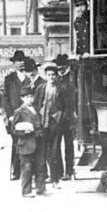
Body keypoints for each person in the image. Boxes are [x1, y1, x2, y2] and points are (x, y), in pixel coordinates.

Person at [35, 62, 71, 190]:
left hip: (55, 124)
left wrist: (61, 116)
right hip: (42, 123)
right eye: (49, 74)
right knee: (42, 152)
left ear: (56, 76)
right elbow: (36, 104)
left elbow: (68, 107)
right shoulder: (40, 88)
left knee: (54, 151)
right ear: (45, 76)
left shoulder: (62, 88)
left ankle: (55, 179)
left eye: (53, 75)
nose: (51, 77)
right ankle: (42, 180)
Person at [1, 50, 28, 180]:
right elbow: (5, 99)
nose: (21, 64)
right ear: (14, 64)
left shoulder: (29, 77)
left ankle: (29, 170)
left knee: (30, 142)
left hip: (28, 115)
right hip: (15, 116)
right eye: (18, 61)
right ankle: (16, 171)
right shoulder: (9, 79)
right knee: (16, 143)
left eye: (23, 61)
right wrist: (10, 115)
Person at [12, 86, 42, 197]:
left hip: (38, 142)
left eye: (31, 96)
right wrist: (24, 132)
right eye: (27, 97)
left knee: (40, 166)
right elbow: (13, 130)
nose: (30, 99)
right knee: (27, 168)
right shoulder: (19, 112)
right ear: (22, 98)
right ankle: (26, 191)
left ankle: (41, 188)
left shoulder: (36, 109)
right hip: (25, 144)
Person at [55, 55, 76, 180]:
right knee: (56, 145)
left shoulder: (72, 78)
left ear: (67, 66)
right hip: (57, 117)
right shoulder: (56, 79)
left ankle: (69, 171)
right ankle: (59, 171)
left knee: (69, 145)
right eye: (59, 65)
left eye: (63, 65)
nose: (61, 68)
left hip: (68, 117)